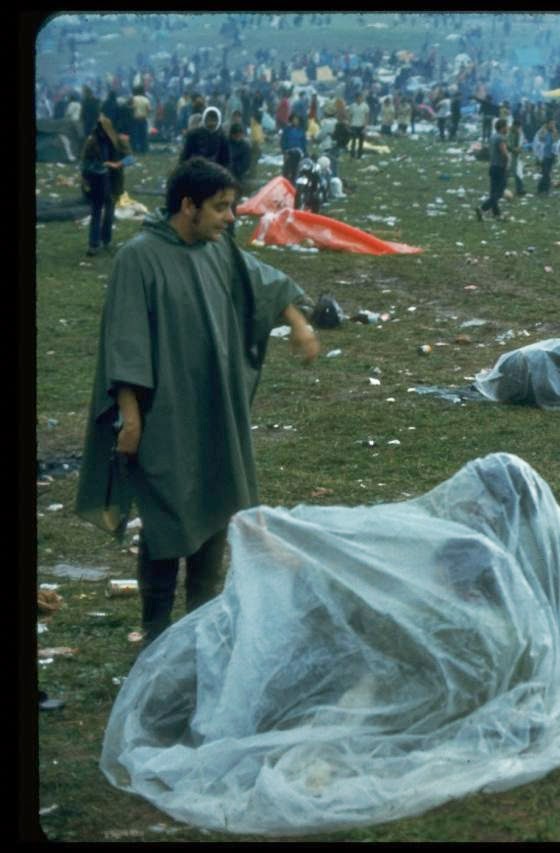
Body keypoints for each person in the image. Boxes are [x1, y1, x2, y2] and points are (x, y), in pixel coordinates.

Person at [75, 157, 321, 647]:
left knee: (216, 505)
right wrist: (130, 419)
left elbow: (262, 283)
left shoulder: (217, 249)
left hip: (215, 408)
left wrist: (298, 323)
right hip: (164, 414)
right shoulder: (139, 258)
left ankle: (202, 626)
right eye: (220, 207)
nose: (231, 217)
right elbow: (126, 341)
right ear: (188, 206)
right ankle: (156, 632)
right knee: (168, 516)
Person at [80, 115, 130, 257]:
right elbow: (84, 161)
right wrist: (87, 176)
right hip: (97, 181)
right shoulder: (92, 141)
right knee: (96, 212)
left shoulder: (118, 140)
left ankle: (106, 240)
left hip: (113, 181)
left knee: (109, 213)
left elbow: (130, 158)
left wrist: (116, 164)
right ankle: (94, 244)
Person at [476, 117, 509, 221]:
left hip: (493, 166)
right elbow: (504, 153)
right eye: (506, 126)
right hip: (500, 167)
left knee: (493, 192)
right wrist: (507, 163)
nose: (507, 128)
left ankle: (496, 214)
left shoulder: (492, 136)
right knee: (499, 193)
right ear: (502, 127)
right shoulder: (500, 138)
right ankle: (482, 208)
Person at [534, 116, 558, 195]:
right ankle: (545, 190)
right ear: (547, 124)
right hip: (544, 156)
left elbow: (556, 144)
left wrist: (556, 154)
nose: (552, 125)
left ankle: (541, 190)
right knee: (546, 174)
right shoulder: (542, 132)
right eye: (551, 124)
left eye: (553, 124)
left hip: (551, 155)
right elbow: (537, 144)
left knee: (547, 173)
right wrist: (538, 156)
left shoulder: (554, 132)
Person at [348, 92, 369, 159]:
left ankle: (359, 155)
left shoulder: (365, 106)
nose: (359, 99)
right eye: (358, 97)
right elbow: (350, 116)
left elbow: (367, 117)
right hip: (354, 125)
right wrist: (349, 125)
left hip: (361, 126)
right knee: (353, 141)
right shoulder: (352, 106)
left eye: (360, 97)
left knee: (361, 142)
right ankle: (352, 155)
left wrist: (365, 127)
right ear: (356, 98)